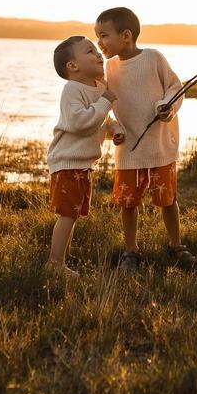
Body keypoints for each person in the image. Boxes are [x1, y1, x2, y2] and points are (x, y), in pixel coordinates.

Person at [94, 6, 194, 271]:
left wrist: (167, 107)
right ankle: (131, 251)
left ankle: (176, 245)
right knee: (128, 202)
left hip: (160, 145)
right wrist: (113, 127)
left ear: (126, 35)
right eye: (97, 36)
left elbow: (175, 88)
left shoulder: (153, 59)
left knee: (167, 199)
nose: (99, 42)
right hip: (128, 148)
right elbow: (102, 106)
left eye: (103, 35)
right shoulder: (109, 68)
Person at [46, 36, 119, 281]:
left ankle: (60, 259)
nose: (99, 54)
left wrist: (114, 128)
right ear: (73, 66)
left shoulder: (98, 88)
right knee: (67, 214)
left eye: (97, 50)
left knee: (73, 213)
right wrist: (106, 102)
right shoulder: (72, 89)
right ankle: (55, 263)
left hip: (83, 164)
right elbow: (80, 122)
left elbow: (98, 120)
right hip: (68, 163)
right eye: (90, 51)